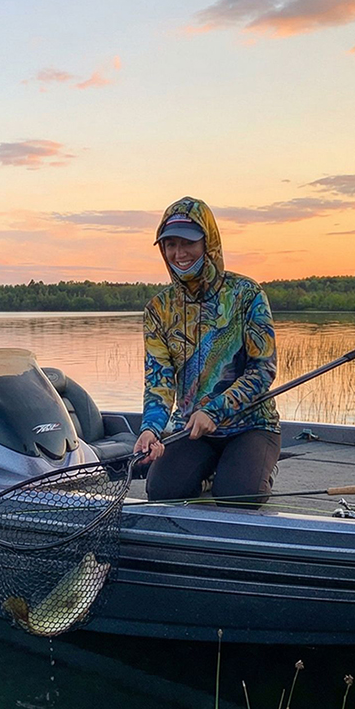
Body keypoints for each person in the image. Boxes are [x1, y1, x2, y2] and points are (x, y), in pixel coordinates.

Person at [134, 197, 280, 506]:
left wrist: (214, 410)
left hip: (251, 425)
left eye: (188, 243)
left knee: (240, 495)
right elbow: (159, 380)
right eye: (170, 244)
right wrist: (151, 429)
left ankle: (258, 465)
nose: (179, 253)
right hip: (192, 428)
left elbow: (262, 370)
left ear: (208, 243)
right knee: (162, 491)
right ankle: (211, 470)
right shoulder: (159, 309)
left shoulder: (247, 294)